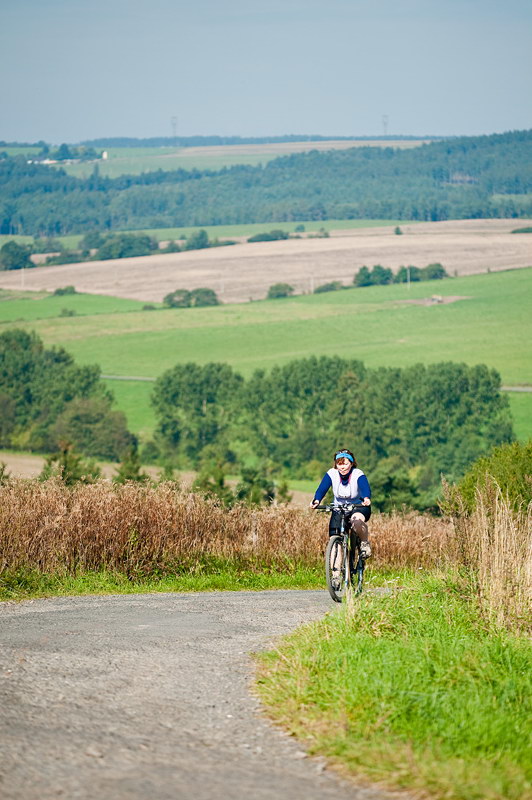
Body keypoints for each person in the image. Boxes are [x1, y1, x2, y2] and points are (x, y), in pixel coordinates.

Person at [310, 448, 372, 558]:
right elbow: (322, 488)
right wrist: (316, 500)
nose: (342, 467)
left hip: (358, 506)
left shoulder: (357, 473)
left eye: (345, 464)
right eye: (339, 464)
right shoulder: (332, 473)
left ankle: (364, 543)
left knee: (356, 522)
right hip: (339, 508)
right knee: (334, 538)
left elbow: (364, 487)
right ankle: (336, 574)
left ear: (352, 463)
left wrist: (366, 498)